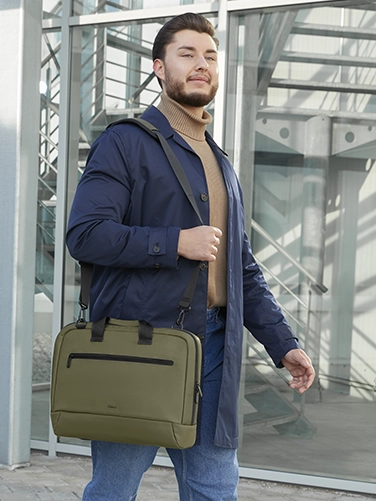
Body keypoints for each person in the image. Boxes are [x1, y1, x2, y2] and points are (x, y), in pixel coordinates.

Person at [66, 12, 315, 501]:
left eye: (209, 56)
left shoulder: (221, 162)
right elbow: (85, 234)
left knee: (215, 488)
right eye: (187, 54)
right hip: (139, 344)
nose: (201, 64)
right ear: (159, 67)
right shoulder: (123, 143)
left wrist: (283, 344)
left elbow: (240, 269)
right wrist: (174, 242)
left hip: (215, 348)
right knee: (114, 488)